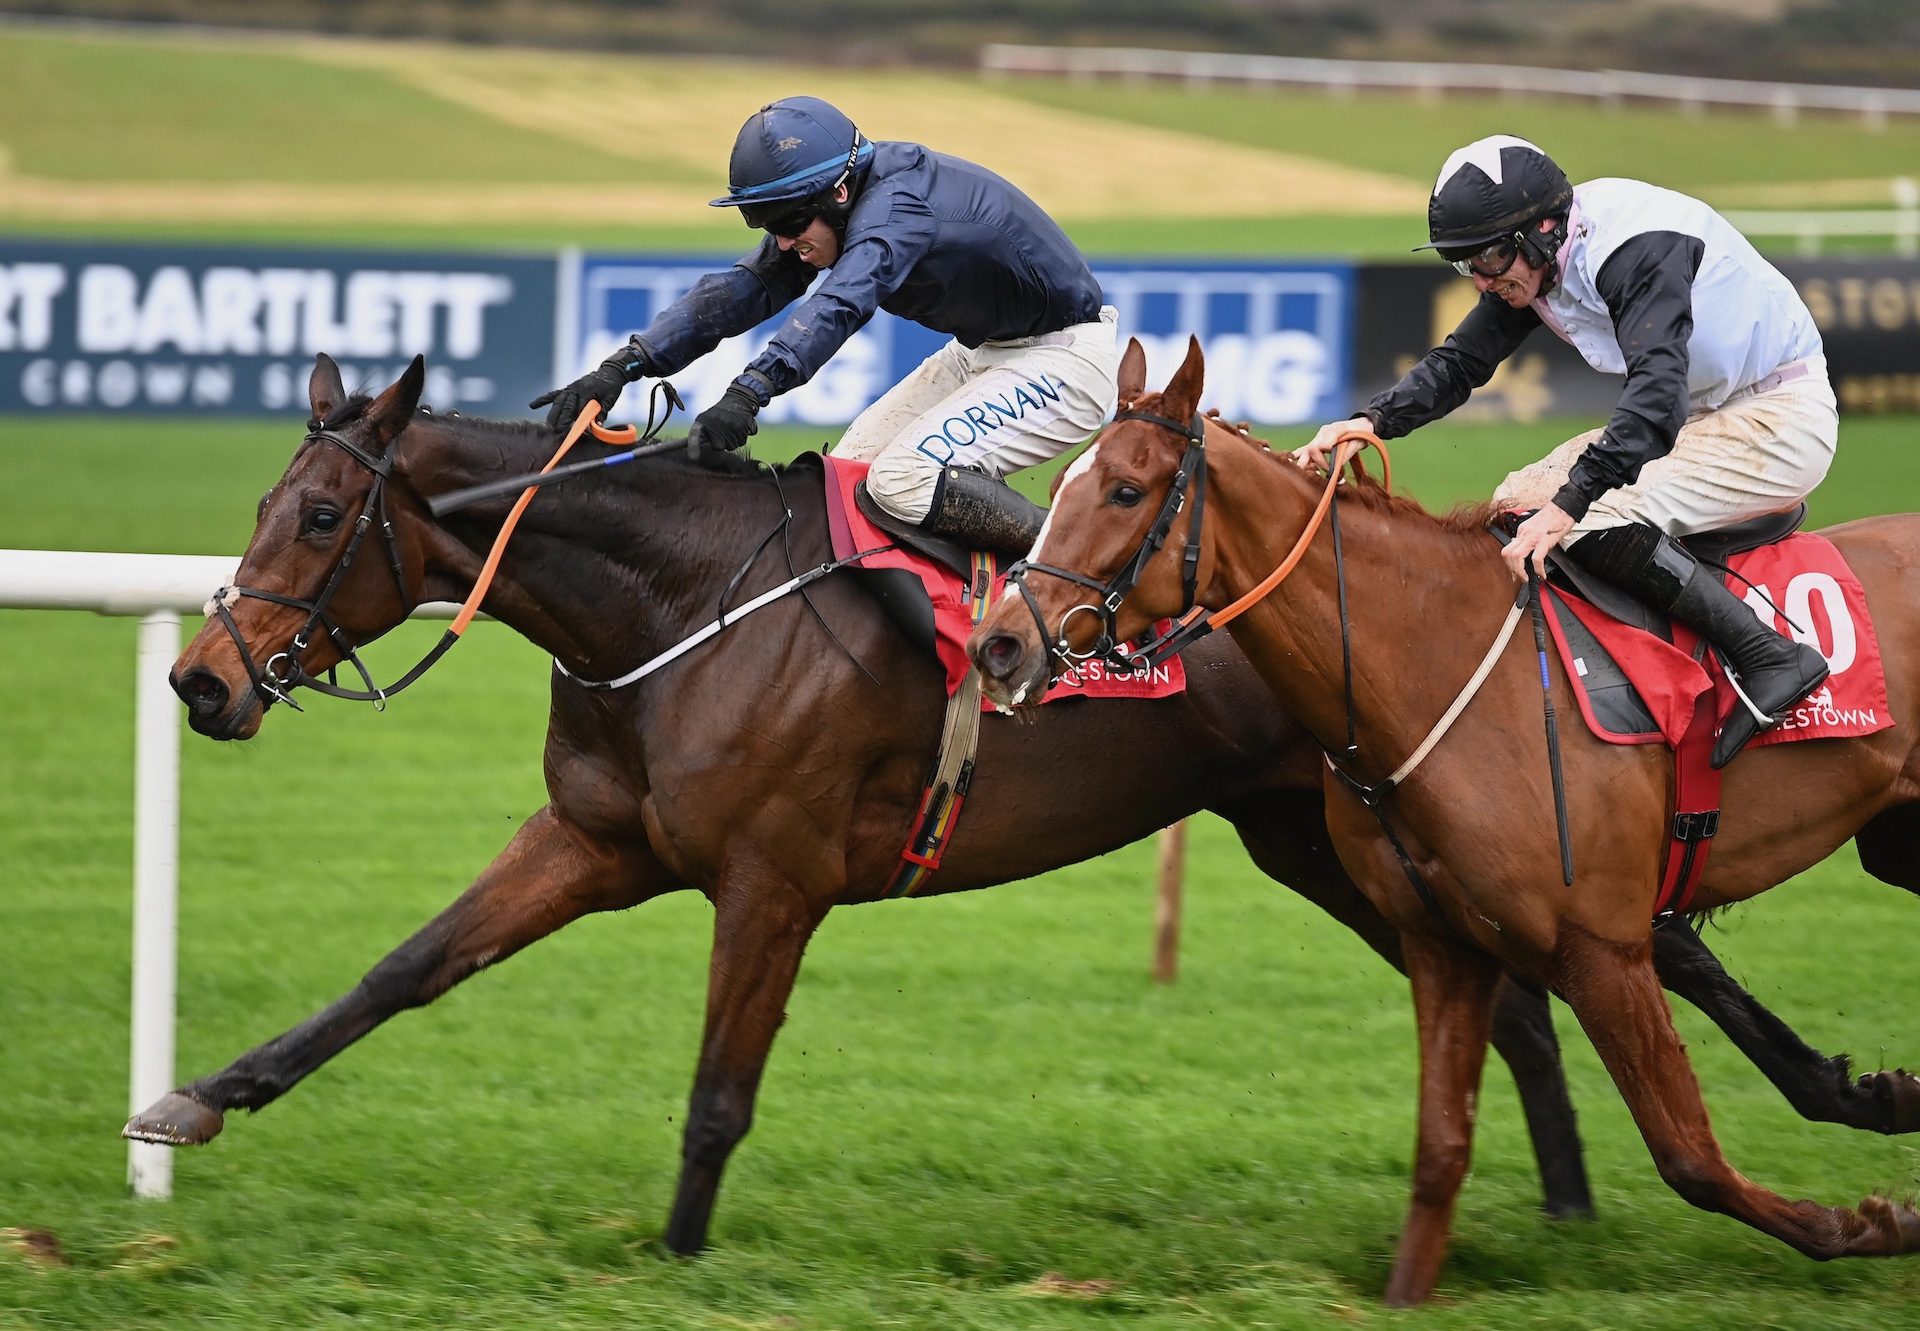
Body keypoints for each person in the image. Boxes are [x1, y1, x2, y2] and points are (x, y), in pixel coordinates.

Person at [1292, 134, 1835, 767]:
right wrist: (1369, 422)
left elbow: (1655, 401)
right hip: (1705, 410)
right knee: (1512, 506)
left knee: (1584, 518)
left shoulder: (1633, 250)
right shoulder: (1535, 261)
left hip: (1780, 417)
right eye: (1466, 266)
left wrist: (1570, 504)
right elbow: (1463, 360)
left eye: (1489, 259)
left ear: (1543, 229)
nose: (1481, 281)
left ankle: (1769, 655)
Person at [533, 95, 1119, 555]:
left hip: (1064, 363)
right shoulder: (836, 202)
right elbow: (744, 290)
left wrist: (749, 392)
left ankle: (1087, 564)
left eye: (789, 222)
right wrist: (625, 365)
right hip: (986, 353)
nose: (784, 242)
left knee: (901, 481)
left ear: (839, 191)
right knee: (845, 484)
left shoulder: (898, 208)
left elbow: (841, 302)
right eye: (766, 225)